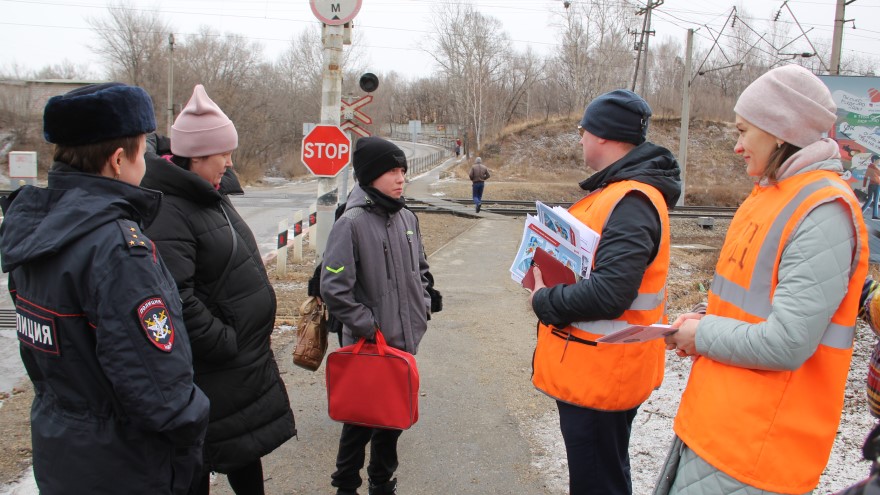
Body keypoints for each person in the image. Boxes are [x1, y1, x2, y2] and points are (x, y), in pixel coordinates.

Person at [656, 65, 869, 495]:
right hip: (718, 426)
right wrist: (699, 320)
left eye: (743, 130)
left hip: (755, 448)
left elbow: (789, 341)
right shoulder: (774, 195)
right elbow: (750, 303)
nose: (736, 146)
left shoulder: (822, 210)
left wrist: (704, 335)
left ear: (778, 131)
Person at [0, 82, 210, 494]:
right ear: (118, 160)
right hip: (126, 463)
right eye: (141, 152)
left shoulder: (34, 229)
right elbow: (159, 390)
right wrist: (195, 422)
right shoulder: (116, 249)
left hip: (62, 449)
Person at [140, 84, 295, 495]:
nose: (230, 162)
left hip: (238, 363)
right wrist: (224, 340)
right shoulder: (169, 209)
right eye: (222, 154)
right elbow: (175, 296)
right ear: (194, 155)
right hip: (213, 367)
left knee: (242, 452)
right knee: (201, 459)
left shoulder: (208, 193)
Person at [528, 89, 681, 495]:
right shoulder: (620, 192)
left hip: (603, 375)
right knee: (603, 476)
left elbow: (612, 293)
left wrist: (543, 301)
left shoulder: (632, 200)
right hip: (596, 368)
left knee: (599, 483)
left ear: (604, 135)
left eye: (583, 130)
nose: (580, 138)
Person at [320, 136, 432, 495]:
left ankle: (382, 483)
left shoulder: (407, 217)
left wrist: (423, 307)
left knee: (392, 419)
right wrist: (369, 327)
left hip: (403, 341)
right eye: (391, 171)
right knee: (359, 420)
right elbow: (334, 288)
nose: (400, 179)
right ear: (369, 176)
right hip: (369, 344)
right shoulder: (350, 223)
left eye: (402, 171)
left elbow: (423, 270)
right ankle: (346, 485)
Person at [863, 154, 880, 220]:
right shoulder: (873, 167)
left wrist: (864, 186)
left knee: (873, 200)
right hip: (875, 185)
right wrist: (864, 186)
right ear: (875, 160)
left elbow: (866, 177)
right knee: (872, 200)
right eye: (878, 160)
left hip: (875, 185)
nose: (879, 162)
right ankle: (874, 215)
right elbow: (866, 177)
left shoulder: (871, 167)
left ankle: (874, 215)